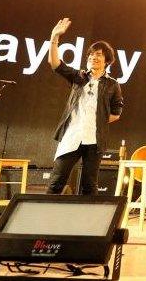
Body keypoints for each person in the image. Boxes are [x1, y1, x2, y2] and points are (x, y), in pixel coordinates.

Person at [45, 18, 124, 195]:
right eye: (91, 54)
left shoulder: (112, 85)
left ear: (107, 61)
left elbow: (116, 113)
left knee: (89, 185)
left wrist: (98, 122)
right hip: (72, 135)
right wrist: (54, 37)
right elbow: (55, 64)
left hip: (94, 141)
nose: (94, 57)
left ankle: (90, 222)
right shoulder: (78, 77)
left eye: (99, 54)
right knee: (57, 181)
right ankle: (44, 219)